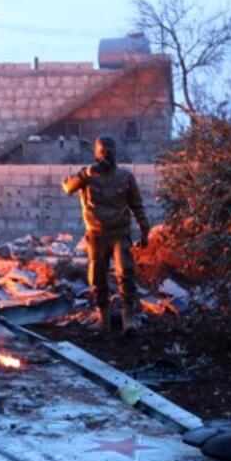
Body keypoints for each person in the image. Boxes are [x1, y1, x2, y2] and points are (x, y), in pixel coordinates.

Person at [62, 136, 151, 332]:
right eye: (102, 152)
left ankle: (129, 317)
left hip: (119, 232)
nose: (105, 156)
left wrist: (145, 230)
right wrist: (84, 174)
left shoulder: (125, 177)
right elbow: (68, 187)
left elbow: (137, 205)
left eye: (109, 152)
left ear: (115, 153)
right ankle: (104, 318)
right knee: (97, 277)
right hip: (96, 235)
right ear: (96, 153)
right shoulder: (87, 176)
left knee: (126, 273)